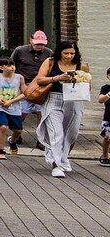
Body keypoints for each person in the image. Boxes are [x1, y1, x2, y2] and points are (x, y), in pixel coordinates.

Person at [34, 40, 89, 178]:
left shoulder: (82, 66)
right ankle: (56, 164)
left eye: (72, 53)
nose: (69, 56)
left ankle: (64, 158)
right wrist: (56, 78)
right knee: (56, 133)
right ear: (60, 52)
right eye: (66, 53)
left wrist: (78, 80)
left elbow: (87, 85)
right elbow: (40, 79)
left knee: (72, 133)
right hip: (54, 98)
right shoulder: (50, 62)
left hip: (74, 100)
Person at [11, 31, 54, 151]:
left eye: (41, 44)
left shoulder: (49, 53)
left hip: (41, 86)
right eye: (37, 44)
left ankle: (41, 140)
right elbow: (10, 64)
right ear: (30, 40)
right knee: (21, 112)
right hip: (24, 85)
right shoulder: (20, 50)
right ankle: (16, 135)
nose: (39, 46)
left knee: (42, 114)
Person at [0, 58, 26, 159]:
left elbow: (25, 93)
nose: (12, 67)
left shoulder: (19, 78)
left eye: (13, 65)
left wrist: (11, 101)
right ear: (1, 67)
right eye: (8, 65)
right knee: (3, 127)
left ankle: (12, 141)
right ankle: (1, 150)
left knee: (18, 130)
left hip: (15, 107)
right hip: (0, 107)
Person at [96, 67, 110, 167]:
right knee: (107, 137)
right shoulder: (106, 88)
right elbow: (100, 99)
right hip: (108, 117)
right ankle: (104, 156)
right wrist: (108, 95)